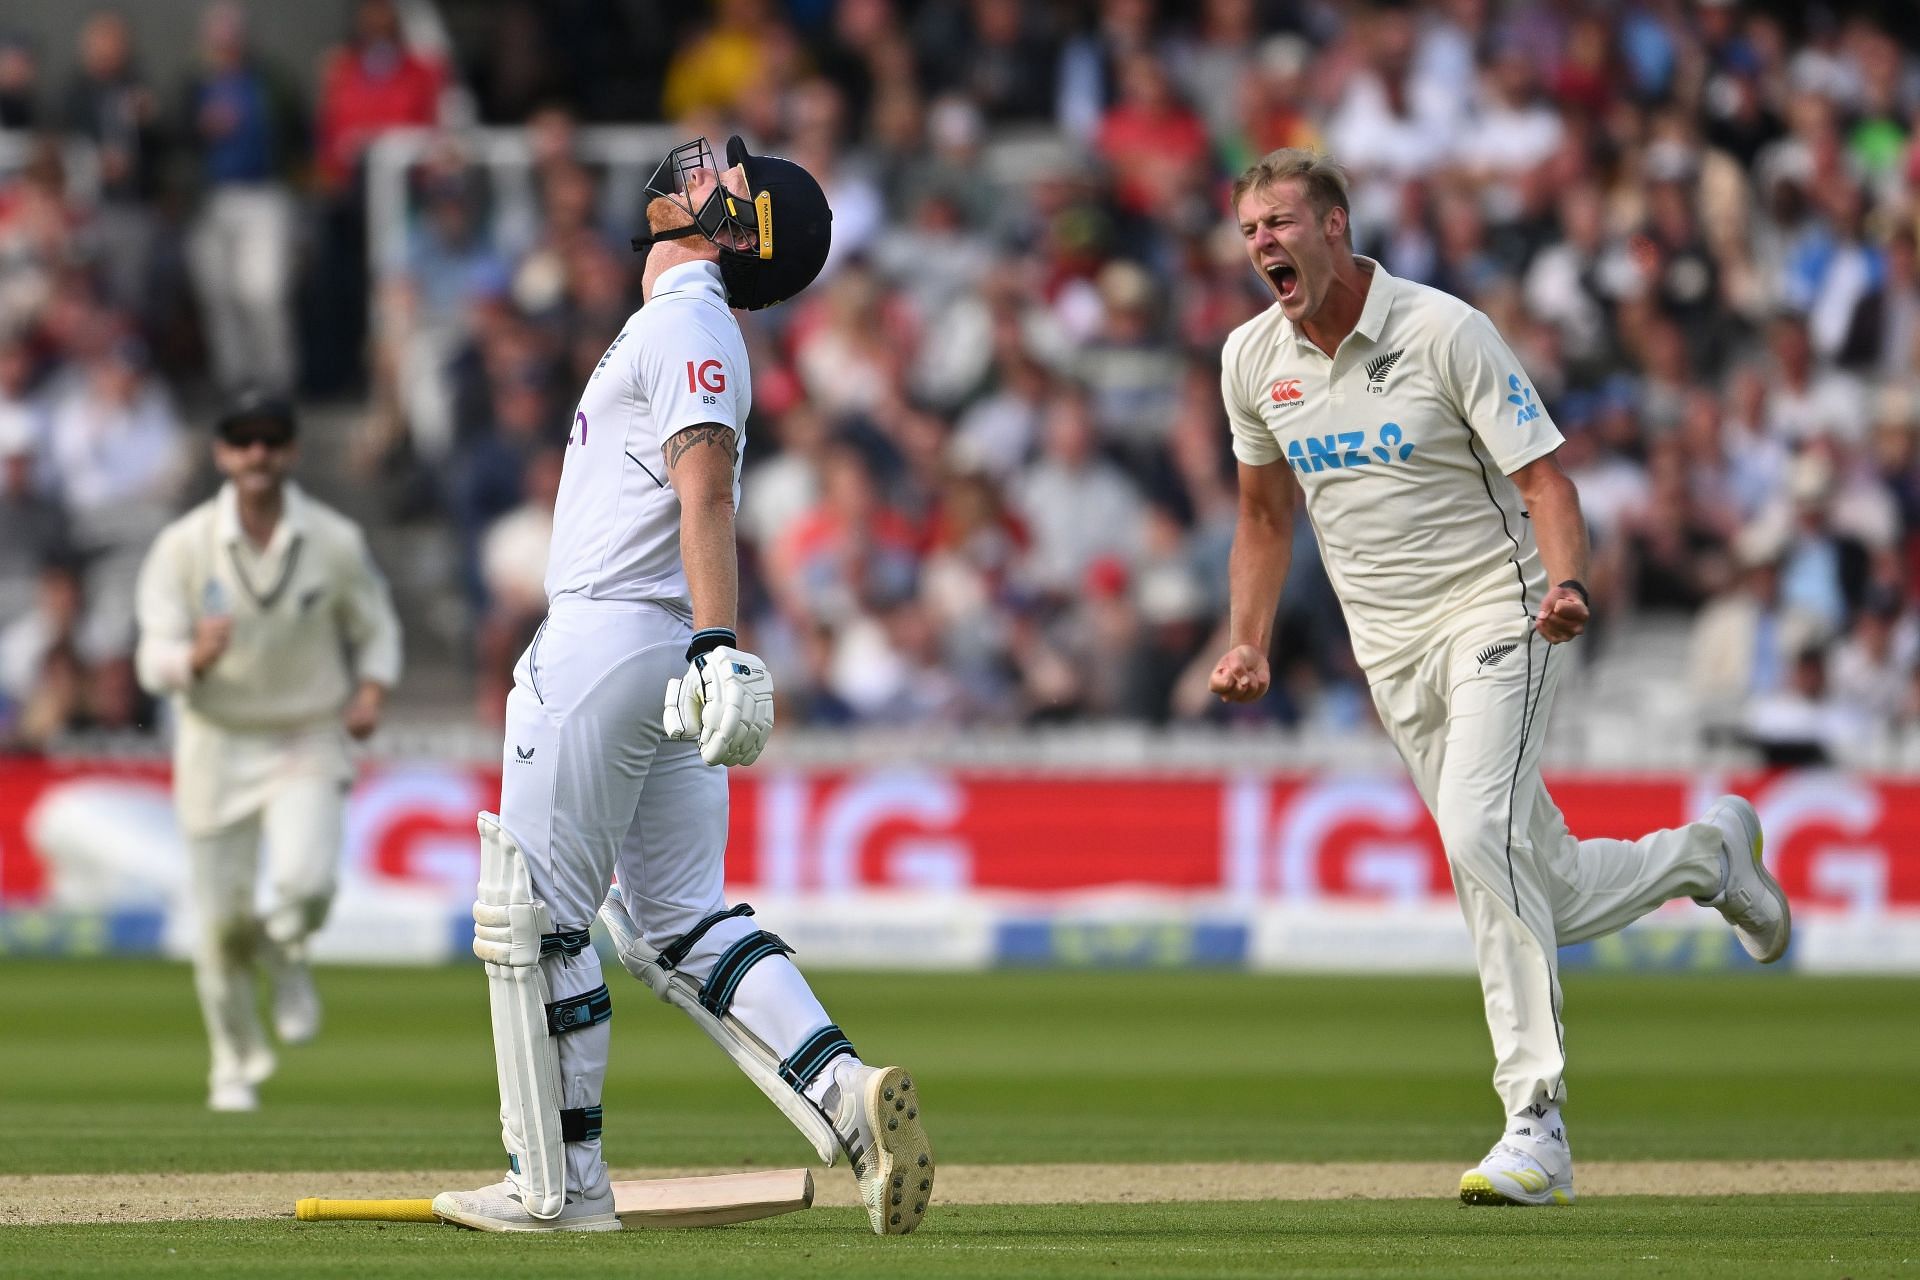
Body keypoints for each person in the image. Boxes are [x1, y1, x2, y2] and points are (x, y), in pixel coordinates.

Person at [1207, 149, 1790, 1208]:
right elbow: (1261, 516)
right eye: (1251, 229)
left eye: (1282, 223)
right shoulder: (1252, 358)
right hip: (1389, 656)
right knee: (1536, 878)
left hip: (1499, 615)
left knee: (1481, 839)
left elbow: (1544, 480)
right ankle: (1708, 856)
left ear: (1337, 226)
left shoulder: (1444, 329)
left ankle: (1538, 1118)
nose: (1264, 245)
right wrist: (1246, 637)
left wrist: (1565, 581)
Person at [432, 136, 934, 1235]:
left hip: (619, 634)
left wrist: (718, 641)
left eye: (719, 176)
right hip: (651, 646)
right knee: (677, 919)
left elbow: (704, 486)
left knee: (535, 915)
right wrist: (700, 644)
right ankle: (845, 1097)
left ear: (730, 224)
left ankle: (554, 1186)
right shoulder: (685, 319)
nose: (688, 169)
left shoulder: (689, 319)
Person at [133, 393, 402, 1112]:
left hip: (305, 732)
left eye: (270, 440)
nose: (256, 454)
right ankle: (231, 1063)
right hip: (216, 738)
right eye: (242, 441)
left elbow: (375, 626)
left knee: (308, 887)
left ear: (291, 451)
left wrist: (371, 690)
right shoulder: (184, 544)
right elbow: (149, 653)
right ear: (222, 453)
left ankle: (286, 947)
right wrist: (188, 657)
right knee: (217, 925)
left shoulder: (334, 539)